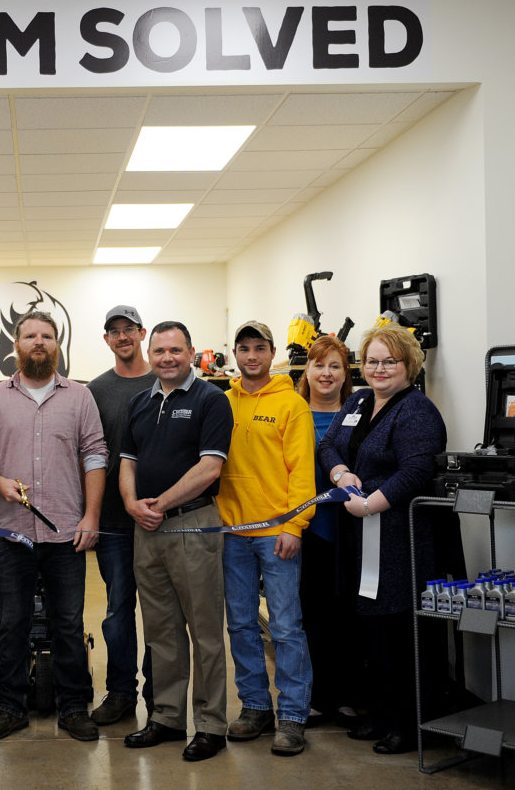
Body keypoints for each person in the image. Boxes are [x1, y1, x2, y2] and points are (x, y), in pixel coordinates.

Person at [0, 310, 107, 743]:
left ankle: (74, 707)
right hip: (12, 534)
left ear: (57, 345)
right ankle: (10, 706)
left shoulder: (80, 397)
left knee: (67, 622)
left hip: (67, 533)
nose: (38, 341)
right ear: (16, 345)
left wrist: (92, 515)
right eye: (30, 335)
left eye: (47, 335)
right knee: (13, 623)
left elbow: (95, 454)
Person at [318, 323, 446, 755]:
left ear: (408, 364)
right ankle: (380, 710)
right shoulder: (357, 400)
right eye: (371, 360)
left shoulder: (417, 411)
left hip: (396, 537)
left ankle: (408, 723)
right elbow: (329, 445)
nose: (379, 368)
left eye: (389, 360)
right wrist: (340, 473)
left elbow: (417, 470)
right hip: (357, 535)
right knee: (369, 629)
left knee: (398, 630)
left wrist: (373, 502)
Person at [119, 321, 234, 762]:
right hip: (146, 530)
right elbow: (127, 461)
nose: (167, 358)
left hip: (192, 524)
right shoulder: (139, 403)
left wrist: (159, 504)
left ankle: (210, 725)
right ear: (150, 355)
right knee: (161, 629)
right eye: (160, 350)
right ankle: (166, 717)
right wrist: (133, 505)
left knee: (204, 630)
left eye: (176, 350)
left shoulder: (211, 400)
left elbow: (210, 469)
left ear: (190, 353)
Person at [217, 320, 315, 757]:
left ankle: (293, 715)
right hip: (232, 532)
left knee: (286, 626)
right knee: (239, 624)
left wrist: (295, 525)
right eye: (244, 348)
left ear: (273, 353)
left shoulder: (292, 405)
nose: (252, 356)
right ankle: (255, 707)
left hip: (277, 534)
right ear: (235, 355)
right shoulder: (221, 403)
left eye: (260, 348)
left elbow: (302, 472)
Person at [86, 304, 156, 726]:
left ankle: (161, 697)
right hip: (113, 521)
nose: (123, 336)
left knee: (161, 612)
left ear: (142, 333)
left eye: (129, 328)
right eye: (114, 330)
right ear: (107, 339)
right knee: (117, 613)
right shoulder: (94, 391)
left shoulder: (168, 380)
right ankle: (120, 693)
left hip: (162, 518)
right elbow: (89, 454)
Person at [295, 335, 359, 729]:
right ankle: (317, 698)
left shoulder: (359, 416)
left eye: (335, 366)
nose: (326, 374)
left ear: (345, 374)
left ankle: (350, 695)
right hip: (308, 530)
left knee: (349, 613)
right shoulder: (295, 414)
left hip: (352, 530)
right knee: (312, 613)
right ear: (307, 371)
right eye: (319, 365)